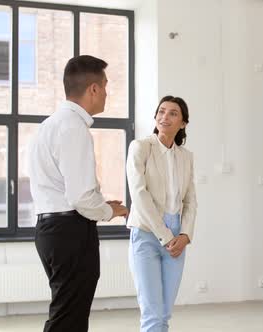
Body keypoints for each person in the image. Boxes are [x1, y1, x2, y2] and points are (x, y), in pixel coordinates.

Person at [28, 55, 129, 332]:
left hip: (51, 228)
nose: (108, 92)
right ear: (93, 89)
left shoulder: (49, 125)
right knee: (68, 318)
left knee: (66, 311)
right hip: (69, 232)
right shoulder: (73, 128)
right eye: (106, 85)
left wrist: (101, 204)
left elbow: (64, 188)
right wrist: (112, 210)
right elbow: (81, 198)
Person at [126, 95, 197, 332]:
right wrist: (165, 236)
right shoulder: (140, 147)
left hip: (177, 235)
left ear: (183, 123)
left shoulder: (186, 157)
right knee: (152, 313)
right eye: (161, 111)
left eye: (173, 113)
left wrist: (185, 235)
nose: (165, 117)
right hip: (147, 233)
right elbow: (139, 195)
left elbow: (190, 200)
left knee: (164, 312)